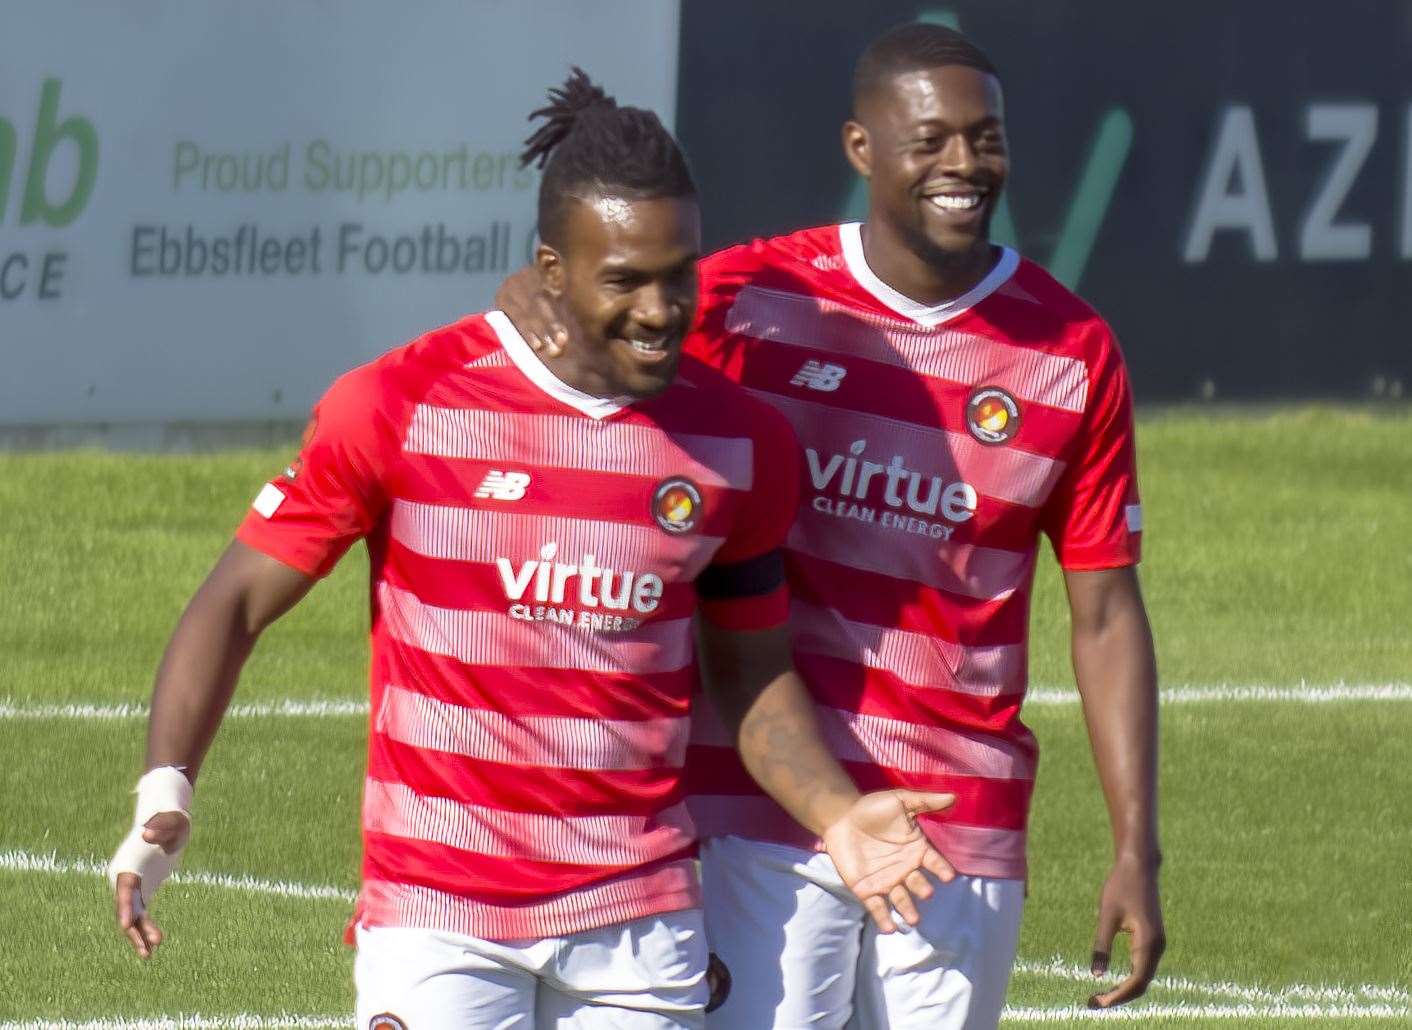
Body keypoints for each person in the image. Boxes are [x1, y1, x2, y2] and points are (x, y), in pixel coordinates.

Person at [106, 70, 961, 1029]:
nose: (661, 307)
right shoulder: (400, 406)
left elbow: (754, 676)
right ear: (550, 271)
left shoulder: (740, 444)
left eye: (678, 272)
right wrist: (165, 792)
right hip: (439, 918)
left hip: (639, 921)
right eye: (625, 280)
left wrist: (836, 814)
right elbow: (233, 603)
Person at [496, 24, 1165, 1029]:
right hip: (756, 801)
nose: (963, 164)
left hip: (957, 822)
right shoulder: (749, 297)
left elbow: (1105, 616)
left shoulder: (1071, 350)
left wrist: (1133, 846)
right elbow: (582, 305)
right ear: (860, 148)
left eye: (985, 139)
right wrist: (523, 298)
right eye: (932, 139)